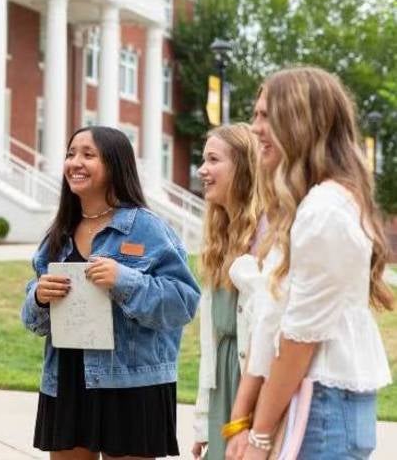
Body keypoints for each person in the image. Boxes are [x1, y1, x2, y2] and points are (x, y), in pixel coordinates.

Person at [225, 66, 393, 459]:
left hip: (321, 406)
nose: (255, 128)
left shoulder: (325, 210)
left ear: (301, 123)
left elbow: (299, 339)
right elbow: (270, 321)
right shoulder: (307, 207)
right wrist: (240, 422)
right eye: (255, 114)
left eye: (267, 116)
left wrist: (259, 436)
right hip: (310, 401)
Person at [21, 125, 200, 459]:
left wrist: (125, 280)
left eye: (88, 154)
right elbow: (33, 320)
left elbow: (184, 302)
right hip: (67, 380)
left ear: (115, 165)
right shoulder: (59, 233)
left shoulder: (147, 228)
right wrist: (39, 297)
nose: (75, 162)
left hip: (131, 383)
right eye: (71, 154)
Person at [191, 124, 263, 460]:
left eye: (213, 160)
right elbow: (211, 343)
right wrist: (203, 424)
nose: (201, 170)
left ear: (244, 168)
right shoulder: (219, 239)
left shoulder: (266, 236)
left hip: (252, 385)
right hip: (223, 385)